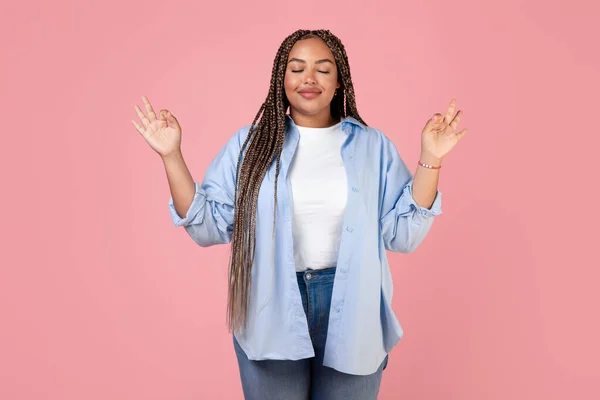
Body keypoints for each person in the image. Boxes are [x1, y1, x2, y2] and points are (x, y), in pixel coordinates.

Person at [131, 29, 467, 400]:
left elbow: (403, 235)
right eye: (297, 68)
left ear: (339, 83)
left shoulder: (372, 146)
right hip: (269, 306)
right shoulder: (250, 145)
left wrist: (431, 158)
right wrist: (171, 155)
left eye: (323, 69)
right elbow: (207, 226)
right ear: (282, 79)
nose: (309, 78)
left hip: (353, 306)